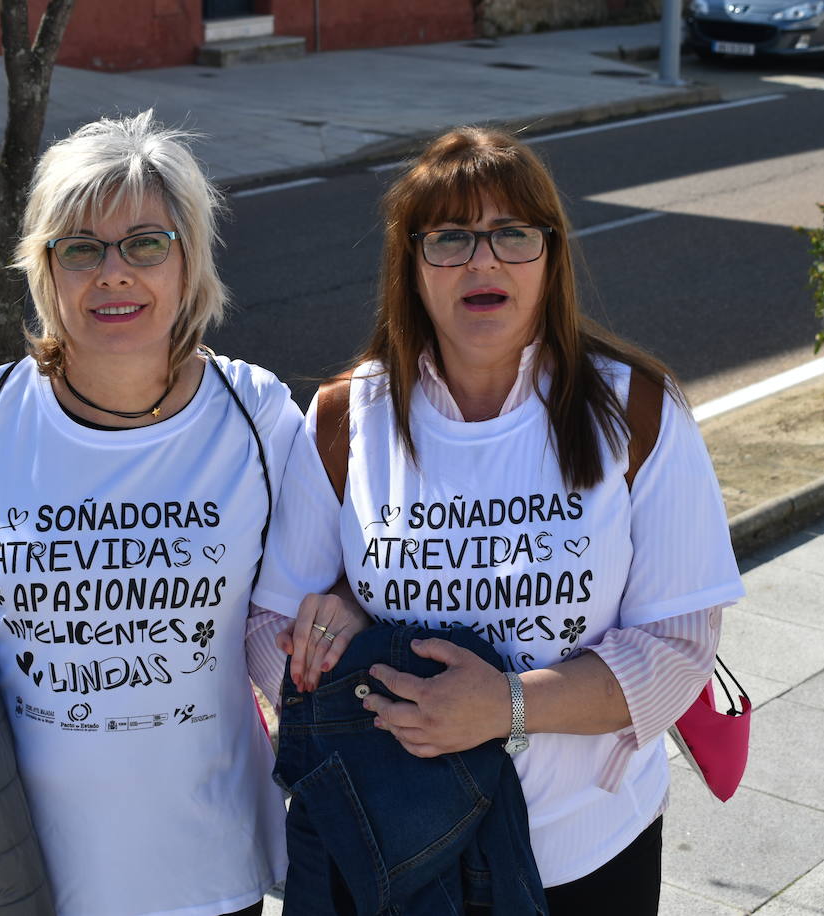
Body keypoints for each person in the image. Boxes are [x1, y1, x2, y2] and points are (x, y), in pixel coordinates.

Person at [256, 126, 745, 913]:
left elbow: (679, 652)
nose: (482, 261)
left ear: (550, 256)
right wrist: (334, 627)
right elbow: (270, 630)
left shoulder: (638, 411)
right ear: (410, 266)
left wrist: (506, 707)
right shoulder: (350, 415)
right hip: (395, 851)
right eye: (450, 238)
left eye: (511, 234)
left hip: (585, 855)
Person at [0, 111, 304, 916]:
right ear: (45, 268)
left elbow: (303, 595)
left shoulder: (259, 414)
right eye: (81, 248)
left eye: (146, 243)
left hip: (209, 868)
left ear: (189, 262)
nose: (114, 272)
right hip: (15, 868)